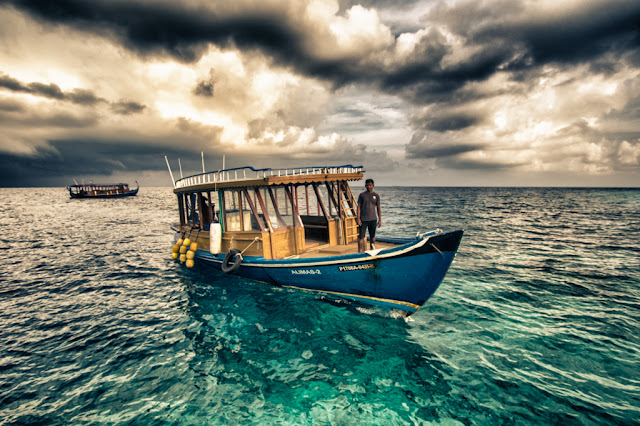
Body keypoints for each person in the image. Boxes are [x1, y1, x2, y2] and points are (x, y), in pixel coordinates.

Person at [357, 178, 381, 252]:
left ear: (373, 185)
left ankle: (372, 250)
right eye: (367, 185)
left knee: (372, 237)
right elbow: (358, 207)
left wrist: (380, 220)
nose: (369, 187)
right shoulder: (362, 195)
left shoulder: (376, 196)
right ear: (365, 186)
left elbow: (378, 208)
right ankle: (359, 252)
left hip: (373, 219)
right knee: (361, 237)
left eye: (370, 185)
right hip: (363, 219)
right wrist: (358, 218)